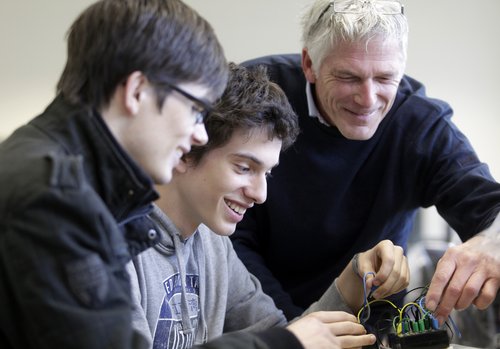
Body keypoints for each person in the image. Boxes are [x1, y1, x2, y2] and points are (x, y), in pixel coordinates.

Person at [231, 0, 500, 327]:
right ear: (309, 64)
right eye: (348, 76)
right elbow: (229, 240)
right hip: (252, 318)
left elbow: (490, 207)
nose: (368, 99)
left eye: (386, 78)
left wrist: (492, 241)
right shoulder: (255, 97)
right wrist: (291, 328)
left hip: (369, 328)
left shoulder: (419, 125)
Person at [128, 62, 410, 349]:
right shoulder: (112, 246)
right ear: (186, 149)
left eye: (267, 173)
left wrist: (349, 286)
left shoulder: (214, 244)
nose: (260, 194)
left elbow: (286, 337)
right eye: (244, 167)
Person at [0, 0, 229, 348]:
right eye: (196, 110)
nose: (201, 135)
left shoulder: (37, 162)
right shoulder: (53, 196)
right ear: (137, 90)